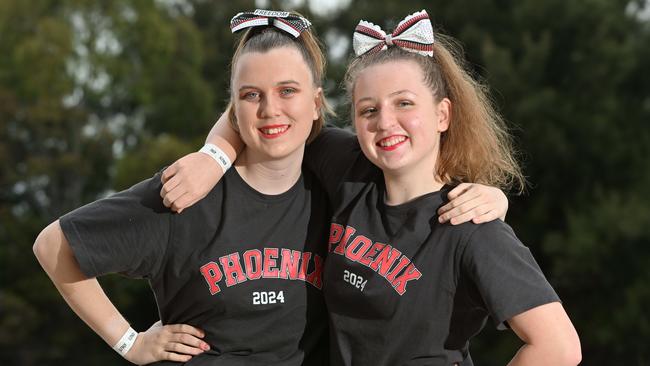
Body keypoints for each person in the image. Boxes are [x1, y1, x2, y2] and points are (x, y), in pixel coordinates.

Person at [159, 10, 581, 366]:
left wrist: (498, 197)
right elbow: (261, 115)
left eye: (404, 103)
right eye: (368, 110)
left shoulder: (472, 227)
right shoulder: (347, 169)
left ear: (442, 114)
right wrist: (211, 159)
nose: (385, 122)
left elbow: (560, 348)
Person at [33, 10, 334, 365]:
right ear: (234, 110)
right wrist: (130, 342)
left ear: (316, 103)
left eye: (287, 91)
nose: (270, 109)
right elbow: (54, 245)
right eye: (252, 95)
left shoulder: (337, 187)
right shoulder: (187, 193)